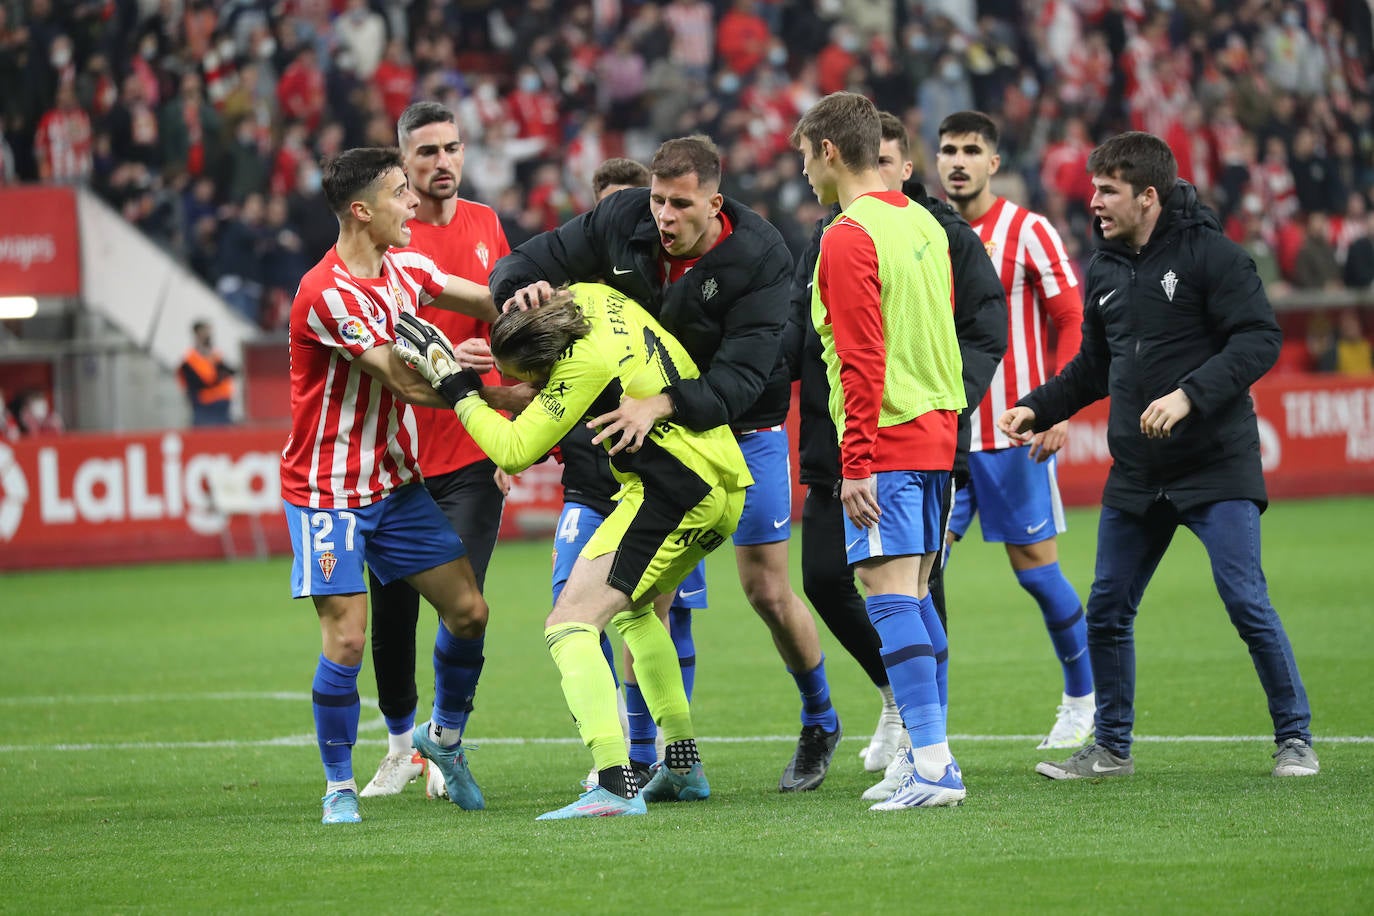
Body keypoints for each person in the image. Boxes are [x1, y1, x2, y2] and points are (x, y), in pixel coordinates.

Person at [491, 135, 845, 792]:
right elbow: (525, 258)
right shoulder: (624, 217)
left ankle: (819, 718)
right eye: (657, 200)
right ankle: (662, 761)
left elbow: (744, 378)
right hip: (658, 436)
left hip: (744, 426)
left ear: (715, 202)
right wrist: (518, 288)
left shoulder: (761, 254)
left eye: (680, 204)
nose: (663, 216)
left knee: (766, 591)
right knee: (646, 597)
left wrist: (661, 403)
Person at [997, 131, 1319, 780]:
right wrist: (1038, 407)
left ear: (1148, 196)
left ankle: (1295, 739)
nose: (1093, 202)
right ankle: (1111, 750)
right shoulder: (1105, 268)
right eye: (1094, 190)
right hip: (1139, 473)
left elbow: (1259, 339)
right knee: (1107, 609)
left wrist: (1189, 396)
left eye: (1107, 191)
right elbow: (1093, 366)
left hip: (1215, 464)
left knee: (1244, 600)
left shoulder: (1213, 255)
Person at [393, 283, 751, 819]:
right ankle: (681, 765)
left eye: (531, 379)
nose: (530, 388)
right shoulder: (593, 295)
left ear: (548, 362)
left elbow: (514, 450)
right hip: (719, 481)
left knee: (570, 624)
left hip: (672, 491)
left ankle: (613, 783)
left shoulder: (581, 366)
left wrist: (456, 386)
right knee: (633, 612)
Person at [280, 146, 511, 825]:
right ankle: (338, 787)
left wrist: (549, 307)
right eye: (399, 193)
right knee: (348, 639)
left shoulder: (407, 269)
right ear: (361, 210)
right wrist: (506, 399)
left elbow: (490, 300)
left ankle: (444, 741)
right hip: (327, 492)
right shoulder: (326, 294)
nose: (414, 204)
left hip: (395, 483)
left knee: (469, 613)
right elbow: (405, 381)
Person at [784, 110, 1007, 796]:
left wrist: (855, 463)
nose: (803, 171)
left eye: (805, 156)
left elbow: (861, 356)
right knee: (914, 593)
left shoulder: (848, 236)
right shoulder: (923, 223)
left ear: (829, 151)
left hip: (887, 439)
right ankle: (925, 755)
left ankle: (932, 763)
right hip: (938, 433)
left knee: (886, 597)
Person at [358, 102, 514, 802]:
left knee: (465, 605)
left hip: (472, 454)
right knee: (392, 617)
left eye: (451, 148)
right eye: (427, 152)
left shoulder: (486, 223)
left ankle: (445, 739)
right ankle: (400, 748)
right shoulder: (386, 237)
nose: (442, 162)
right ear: (403, 163)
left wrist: (507, 426)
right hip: (397, 463)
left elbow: (509, 323)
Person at [935, 110, 1095, 750]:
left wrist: (1056, 408)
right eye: (949, 149)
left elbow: (1073, 319)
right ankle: (915, 725)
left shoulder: (1029, 231)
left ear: (994, 163)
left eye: (971, 150)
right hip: (942, 437)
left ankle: (1082, 700)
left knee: (1037, 574)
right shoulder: (923, 231)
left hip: (1013, 435)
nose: (959, 161)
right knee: (917, 579)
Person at [552, 158, 709, 782]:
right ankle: (662, 761)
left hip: (656, 483)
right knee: (609, 611)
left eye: (638, 207)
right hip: (593, 483)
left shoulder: (661, 295)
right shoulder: (569, 297)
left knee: (620, 615)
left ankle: (626, 767)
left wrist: (461, 391)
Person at [179, 320, 236, 427]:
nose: (208, 335)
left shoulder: (216, 355)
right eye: (204, 331)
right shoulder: (190, 359)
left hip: (223, 404)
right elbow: (202, 382)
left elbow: (230, 371)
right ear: (197, 334)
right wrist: (219, 376)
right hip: (205, 406)